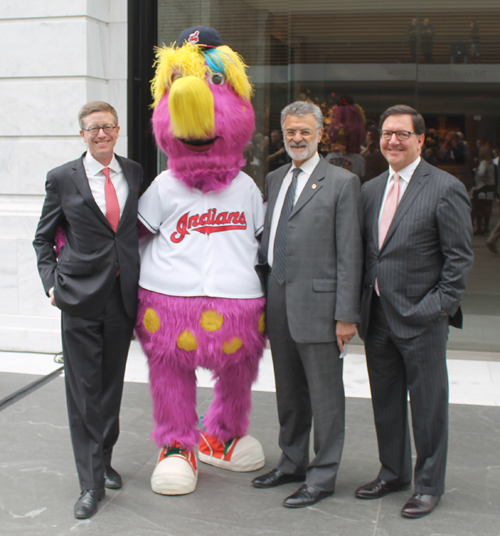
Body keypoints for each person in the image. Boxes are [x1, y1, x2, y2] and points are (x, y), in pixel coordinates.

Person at [356, 105, 473, 518]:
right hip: (378, 315)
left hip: (423, 318)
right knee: (385, 401)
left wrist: (438, 308)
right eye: (387, 133)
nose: (393, 141)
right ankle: (393, 473)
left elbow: (459, 259)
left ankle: (428, 485)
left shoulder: (444, 187)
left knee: (428, 405)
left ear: (421, 140)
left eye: (403, 134)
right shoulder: (369, 190)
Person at [33, 102, 143, 519]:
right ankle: (89, 483)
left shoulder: (132, 172)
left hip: (121, 297)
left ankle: (104, 460)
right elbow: (43, 240)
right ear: (82, 134)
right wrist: (51, 285)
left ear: (117, 131)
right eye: (93, 128)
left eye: (108, 127)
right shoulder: (63, 178)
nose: (102, 134)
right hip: (77, 298)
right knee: (84, 392)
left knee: (111, 387)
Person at [252, 101, 363, 508]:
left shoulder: (341, 183)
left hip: (321, 306)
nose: (297, 138)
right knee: (289, 392)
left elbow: (351, 254)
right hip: (278, 299)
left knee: (325, 395)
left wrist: (346, 315)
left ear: (320, 135)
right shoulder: (276, 177)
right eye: (291, 132)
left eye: (305, 132)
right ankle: (292, 461)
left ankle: (323, 474)